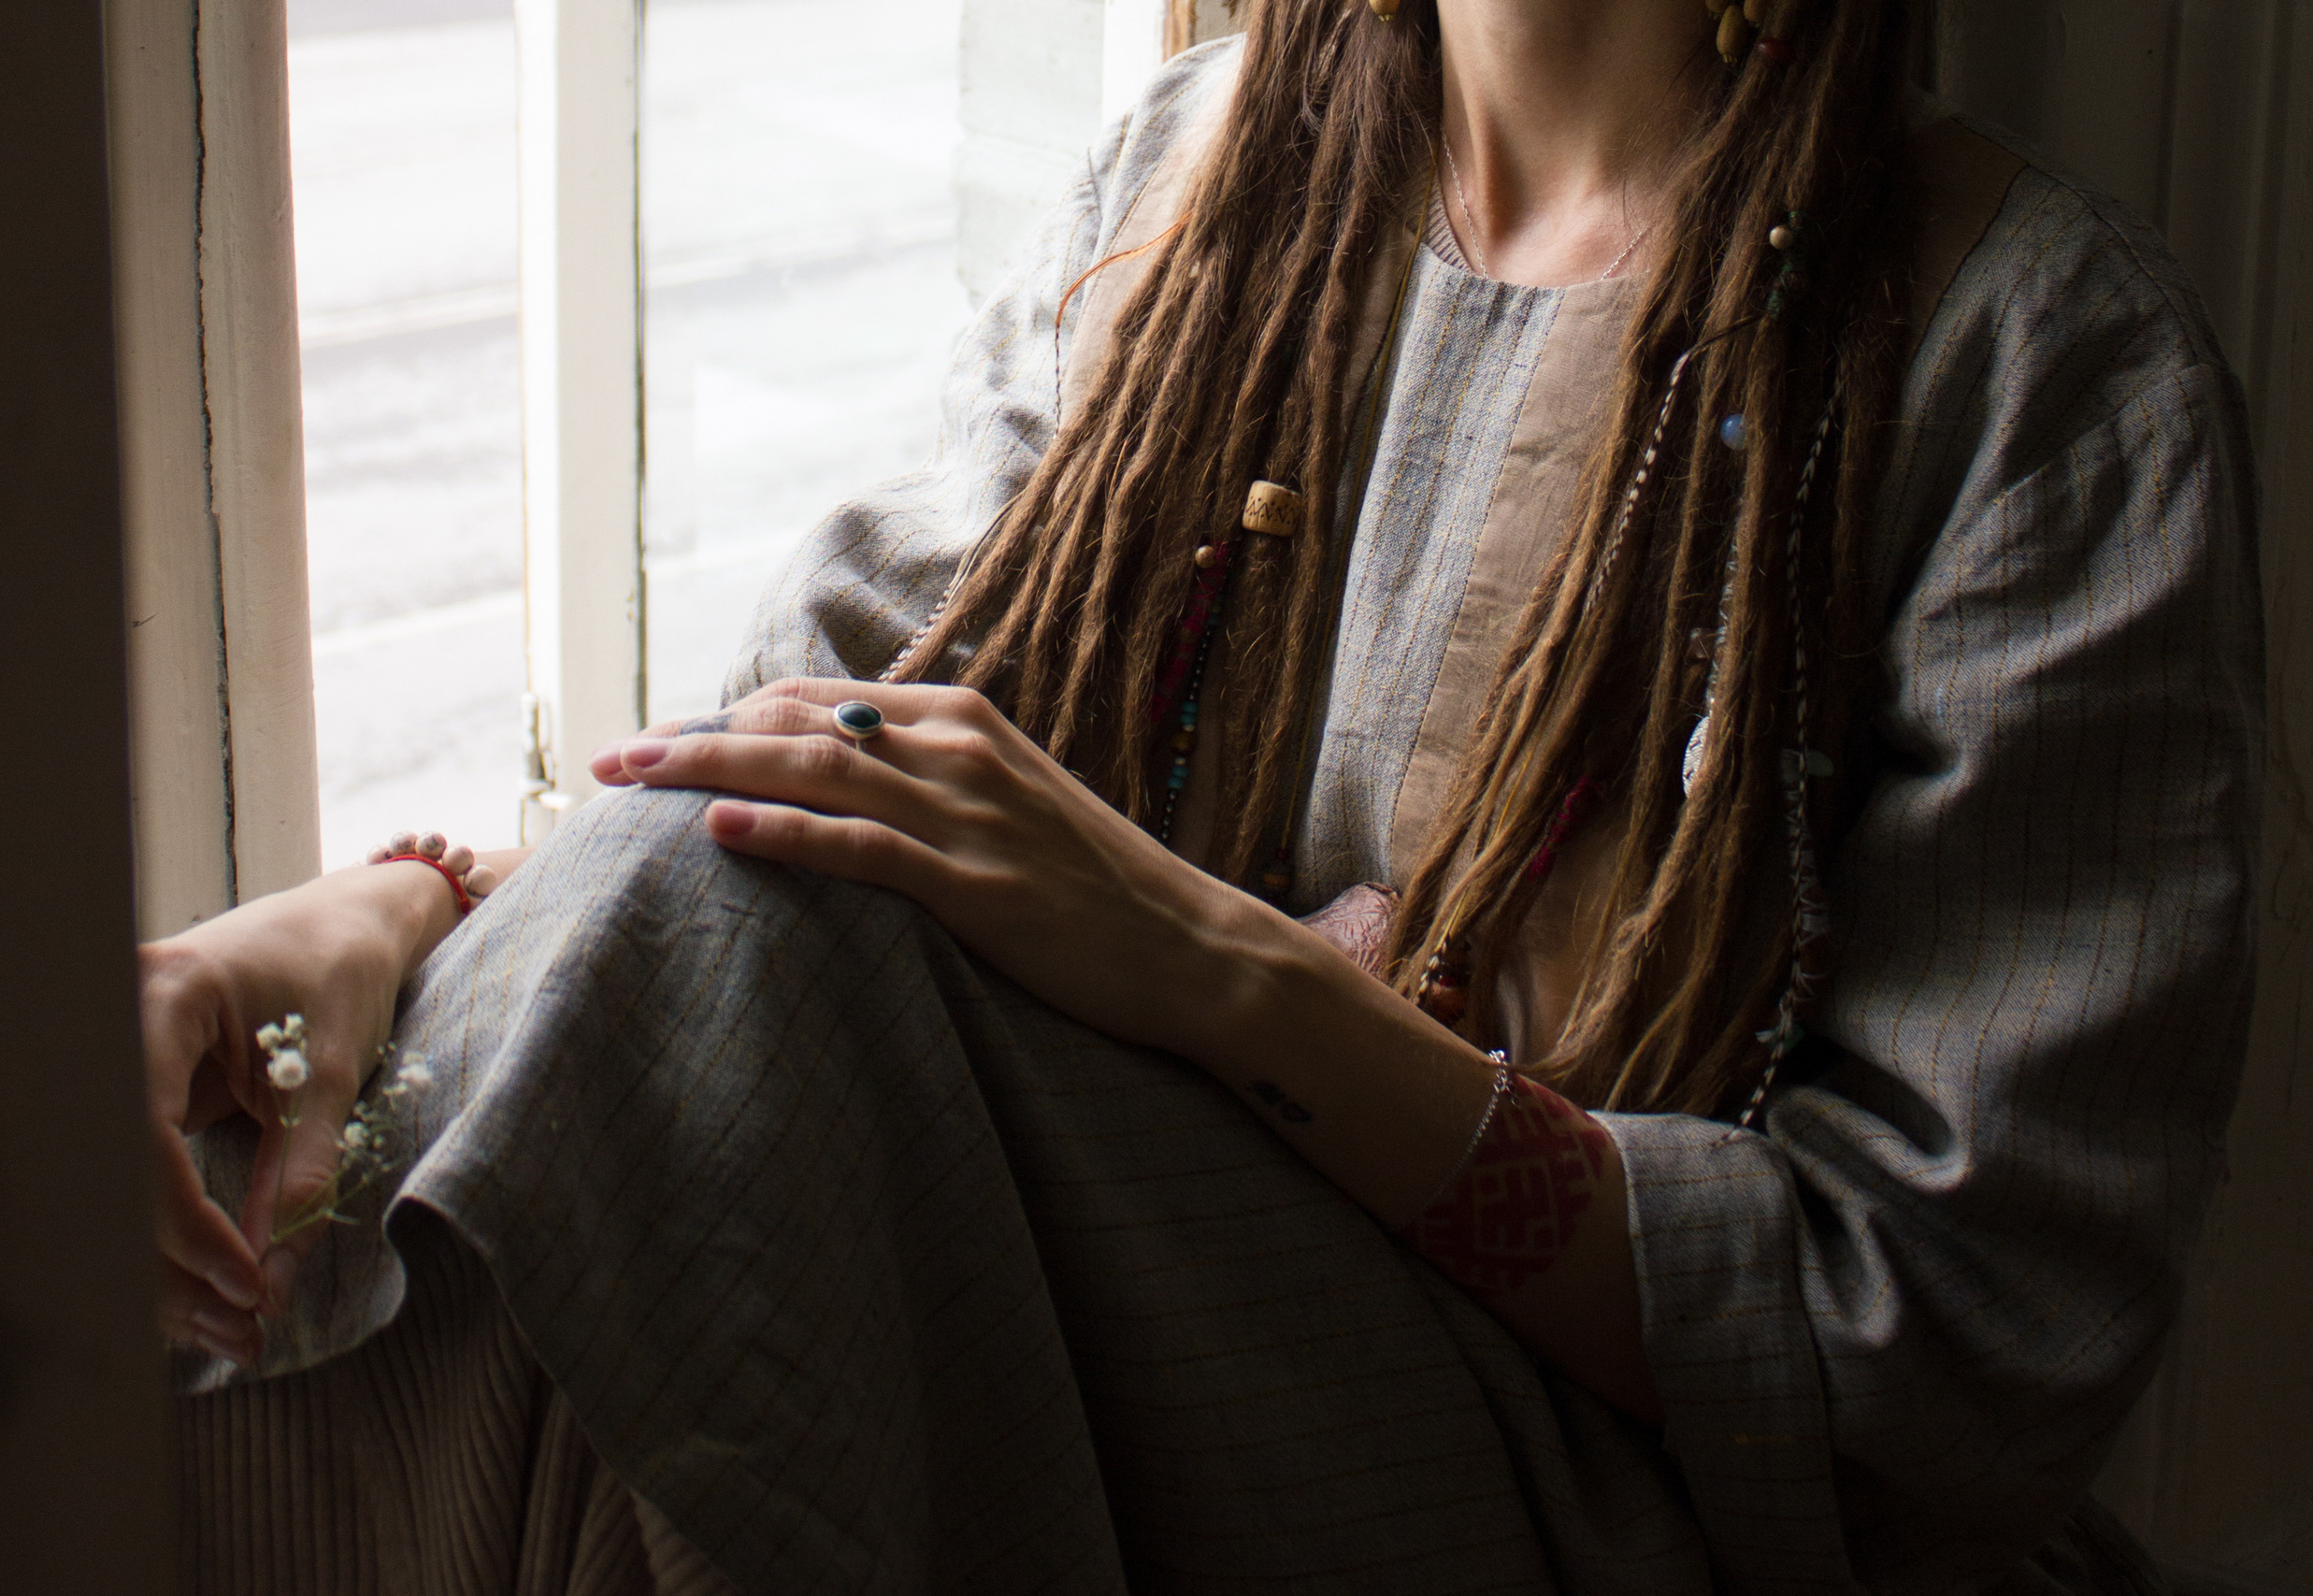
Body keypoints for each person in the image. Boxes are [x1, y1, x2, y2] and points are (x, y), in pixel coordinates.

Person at [141, 0, 2264, 1589]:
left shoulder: (2042, 370)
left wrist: (1222, 977)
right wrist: (363, 929)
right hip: (1097, 1360)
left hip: (1590, 1495)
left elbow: (1945, 1363)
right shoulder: (1197, 185)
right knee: (344, 1160)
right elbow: (774, 814)